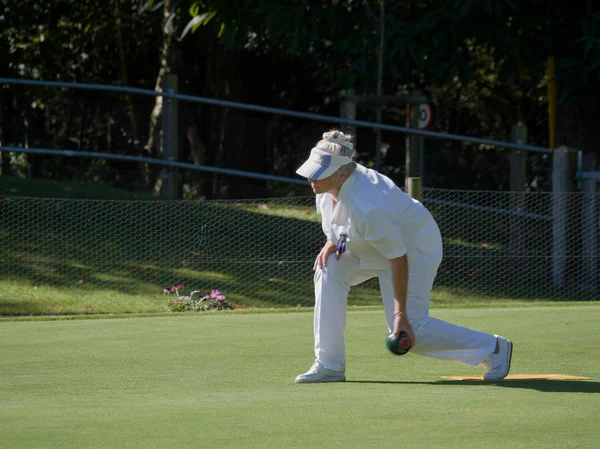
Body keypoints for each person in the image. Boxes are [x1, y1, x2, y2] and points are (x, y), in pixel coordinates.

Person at [294, 129, 513, 383]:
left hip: (413, 248)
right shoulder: (325, 188)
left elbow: (398, 258)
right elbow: (340, 220)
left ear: (343, 172)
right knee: (328, 267)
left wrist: (401, 317)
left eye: (320, 173)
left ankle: (494, 348)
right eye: (312, 171)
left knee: (413, 330)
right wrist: (331, 241)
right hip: (374, 245)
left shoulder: (369, 206)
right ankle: (329, 365)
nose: (313, 178)